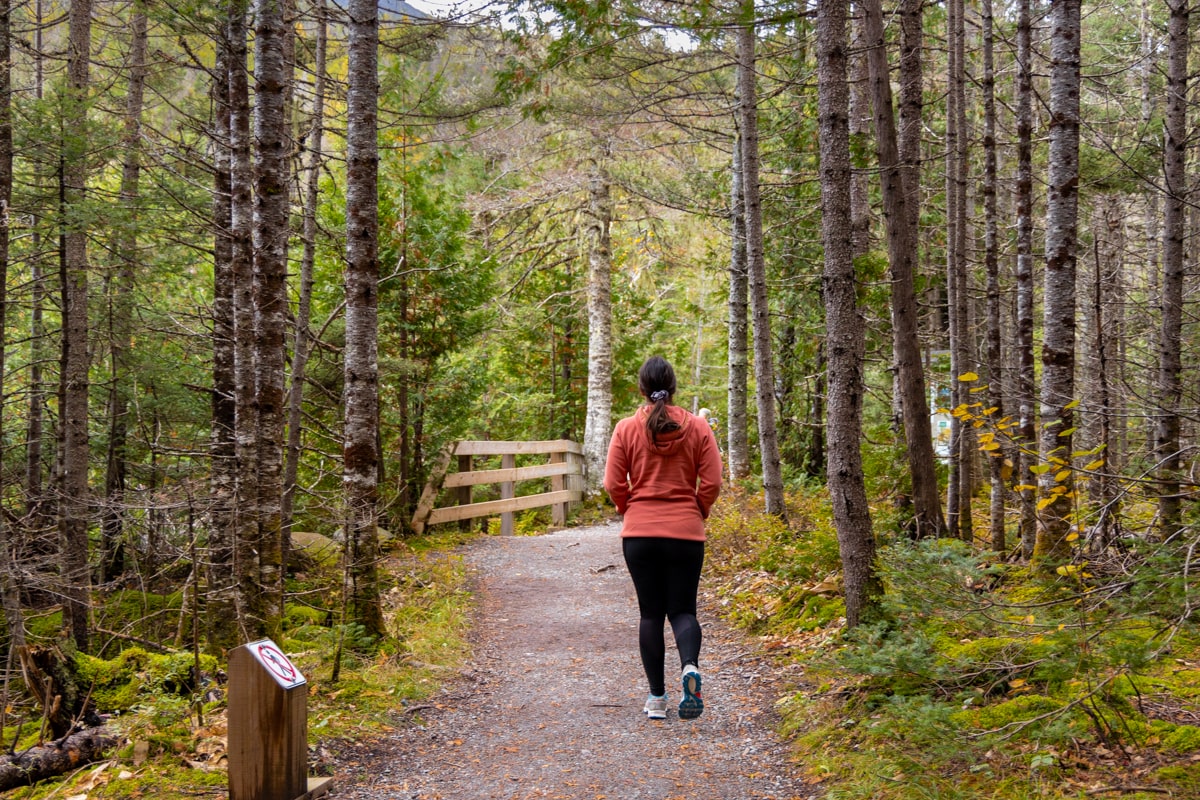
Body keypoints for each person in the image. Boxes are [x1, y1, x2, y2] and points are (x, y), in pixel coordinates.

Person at [603, 356, 723, 721]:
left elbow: (612, 484)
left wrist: (630, 509)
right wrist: (696, 510)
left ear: (641, 388)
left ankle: (657, 698)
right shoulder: (699, 427)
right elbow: (713, 482)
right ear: (673, 387)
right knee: (683, 610)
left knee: (651, 614)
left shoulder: (625, 428)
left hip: (640, 534)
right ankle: (689, 667)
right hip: (685, 533)